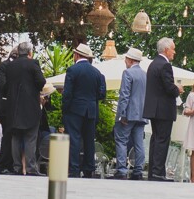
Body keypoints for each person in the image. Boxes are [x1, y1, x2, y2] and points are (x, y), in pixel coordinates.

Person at [0, 43, 46, 175]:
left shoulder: (10, 66)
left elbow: (5, 87)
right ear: (30, 52)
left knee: (15, 137)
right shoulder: (33, 63)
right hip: (30, 106)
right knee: (30, 137)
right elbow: (41, 81)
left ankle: (17, 167)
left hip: (13, 107)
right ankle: (30, 168)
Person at [61, 43, 107, 179]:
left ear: (76, 55)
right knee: (89, 140)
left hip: (75, 109)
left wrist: (65, 108)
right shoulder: (97, 73)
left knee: (74, 139)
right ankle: (89, 168)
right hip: (91, 110)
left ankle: (74, 168)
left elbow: (67, 93)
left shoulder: (72, 70)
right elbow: (102, 94)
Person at [143, 37, 181, 181]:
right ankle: (158, 172)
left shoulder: (153, 64)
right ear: (166, 50)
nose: (174, 52)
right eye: (173, 49)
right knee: (162, 140)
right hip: (163, 109)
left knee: (156, 139)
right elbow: (169, 87)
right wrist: (177, 89)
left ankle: (153, 171)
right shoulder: (165, 65)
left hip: (154, 109)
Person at [112, 48, 149, 179]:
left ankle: (121, 170)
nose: (125, 61)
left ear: (131, 60)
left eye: (126, 59)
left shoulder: (127, 73)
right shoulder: (145, 74)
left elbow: (124, 95)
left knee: (121, 140)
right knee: (139, 143)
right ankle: (138, 170)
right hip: (142, 114)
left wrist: (122, 114)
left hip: (128, 114)